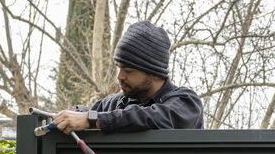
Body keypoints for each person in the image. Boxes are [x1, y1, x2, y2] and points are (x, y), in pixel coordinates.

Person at [51, 21, 204, 133]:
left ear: (153, 72)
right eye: (119, 68)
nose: (120, 76)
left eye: (128, 70)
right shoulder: (114, 104)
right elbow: (89, 114)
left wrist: (93, 119)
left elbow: (152, 117)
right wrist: (69, 118)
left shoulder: (186, 104)